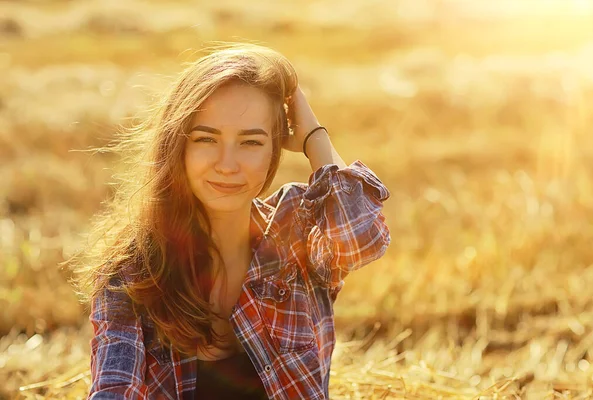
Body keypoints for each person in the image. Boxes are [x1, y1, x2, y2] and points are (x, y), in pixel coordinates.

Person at [71, 43, 391, 400]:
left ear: (276, 148)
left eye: (250, 142)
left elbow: (363, 237)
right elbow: (115, 389)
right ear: (177, 145)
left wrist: (315, 138)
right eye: (207, 138)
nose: (227, 164)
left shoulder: (296, 232)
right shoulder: (131, 271)